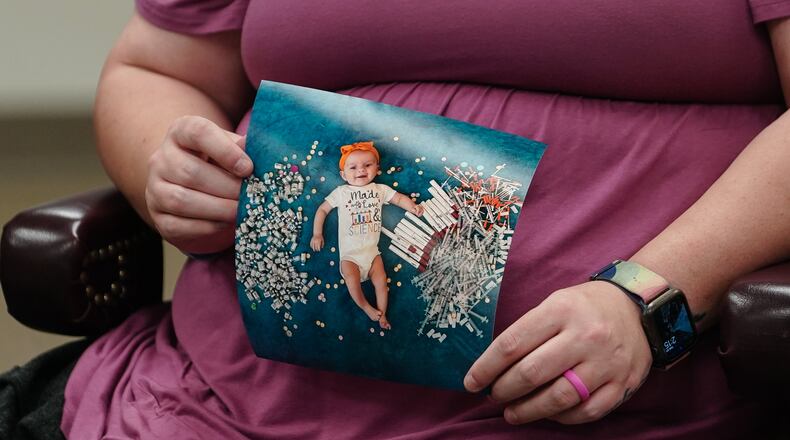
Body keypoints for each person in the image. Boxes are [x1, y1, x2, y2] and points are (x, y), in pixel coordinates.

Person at [57, 0, 790, 438]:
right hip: (225, 402)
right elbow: (157, 70)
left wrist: (645, 297)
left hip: (616, 411)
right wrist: (171, 165)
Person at [310, 141, 423, 330]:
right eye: (353, 167)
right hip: (350, 255)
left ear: (377, 169)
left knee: (381, 281)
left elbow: (399, 198)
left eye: (367, 165)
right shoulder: (341, 192)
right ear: (343, 175)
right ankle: (365, 307)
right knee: (352, 281)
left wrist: (411, 206)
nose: (360, 170)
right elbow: (322, 210)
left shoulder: (380, 190)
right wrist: (317, 233)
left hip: (372, 253)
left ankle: (383, 314)